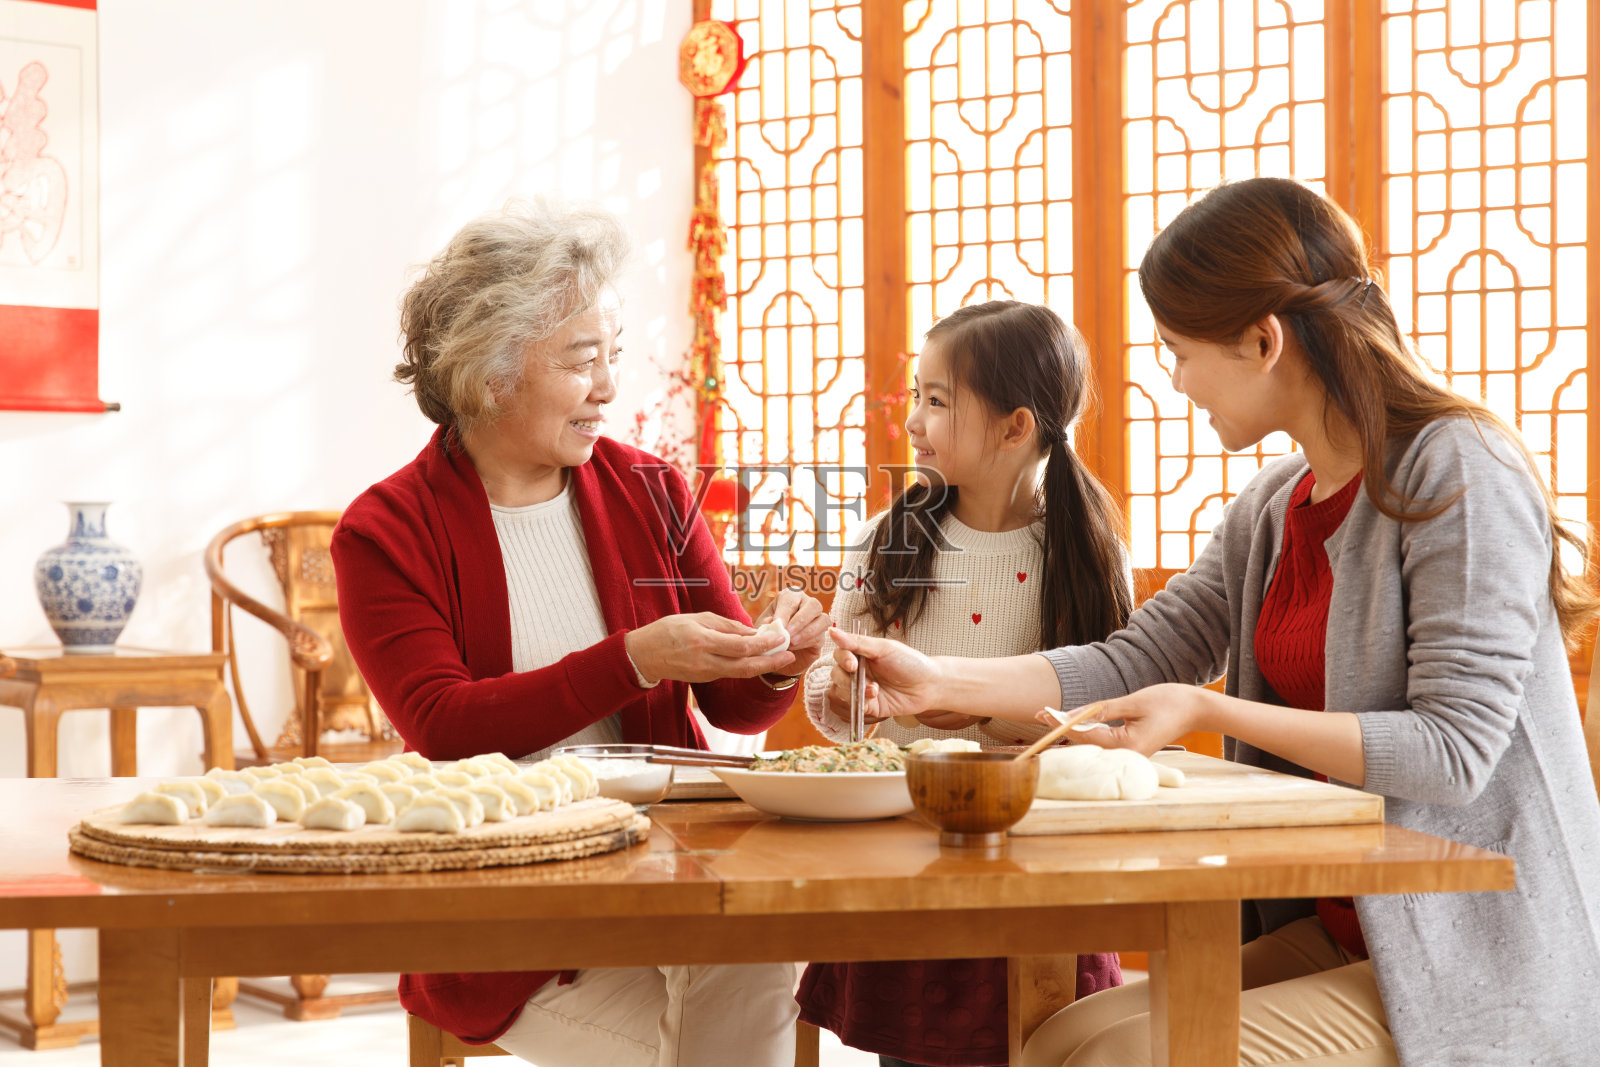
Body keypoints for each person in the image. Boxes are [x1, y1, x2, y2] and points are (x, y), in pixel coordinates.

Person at [828, 177, 1600, 1065]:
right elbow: (1139, 657)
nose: (1176, 380)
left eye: (1179, 351)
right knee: (1057, 1036)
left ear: (1262, 340)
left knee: (1109, 1058)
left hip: (1479, 953)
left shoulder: (1458, 468)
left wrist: (1209, 712)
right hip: (1357, 931)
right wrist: (939, 683)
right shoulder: (1274, 504)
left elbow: (1453, 754)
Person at [330, 199, 828, 1067]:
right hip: (519, 925)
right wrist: (632, 661)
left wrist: (778, 660)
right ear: (489, 375)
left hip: (669, 875)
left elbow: (735, 706)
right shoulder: (386, 530)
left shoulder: (652, 491)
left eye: (614, 358)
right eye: (582, 361)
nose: (608, 387)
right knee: (738, 1006)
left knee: (753, 945)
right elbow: (443, 722)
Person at [796, 301, 1130, 1067]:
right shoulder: (888, 540)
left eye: (937, 400)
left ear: (1016, 427)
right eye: (917, 395)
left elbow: (1104, 719)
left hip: (1038, 869)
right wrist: (844, 691)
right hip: (910, 860)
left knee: (1049, 1045)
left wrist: (981, 721)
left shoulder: (1085, 551)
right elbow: (835, 704)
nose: (913, 420)